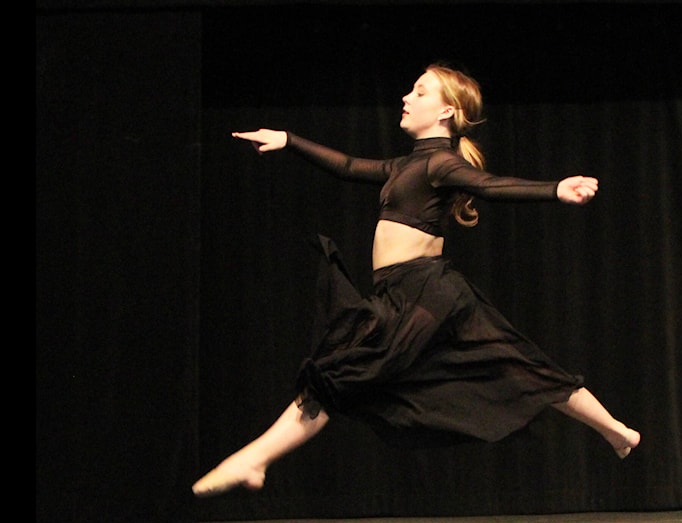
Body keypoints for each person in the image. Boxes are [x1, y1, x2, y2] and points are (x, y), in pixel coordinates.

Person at [193, 62, 640, 497]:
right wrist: (289, 139)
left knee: (341, 370)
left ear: (446, 112)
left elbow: (490, 185)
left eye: (421, 91)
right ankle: (619, 432)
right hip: (407, 292)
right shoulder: (405, 165)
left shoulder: (440, 164)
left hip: (426, 292)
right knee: (517, 362)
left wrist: (554, 189)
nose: (407, 98)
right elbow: (348, 165)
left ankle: (254, 460)